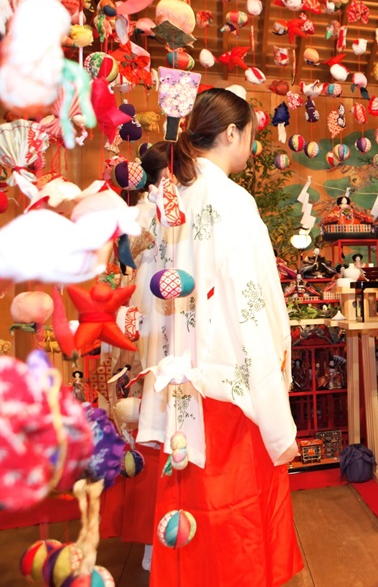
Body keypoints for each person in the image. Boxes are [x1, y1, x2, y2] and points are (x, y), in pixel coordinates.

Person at [150, 88, 303, 585]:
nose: (249, 147)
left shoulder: (174, 195)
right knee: (232, 505)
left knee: (189, 501)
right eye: (250, 136)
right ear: (233, 133)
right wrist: (267, 365)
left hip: (181, 371)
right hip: (230, 376)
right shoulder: (233, 201)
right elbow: (250, 297)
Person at [99, 141, 174, 571]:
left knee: (160, 427)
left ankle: (159, 535)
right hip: (146, 327)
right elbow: (126, 259)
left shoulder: (164, 211)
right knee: (148, 427)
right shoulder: (144, 213)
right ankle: (150, 536)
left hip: (160, 324)